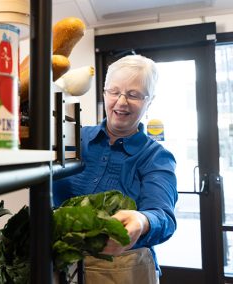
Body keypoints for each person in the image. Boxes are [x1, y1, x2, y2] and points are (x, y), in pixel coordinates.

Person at [53, 55, 178, 284]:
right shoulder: (74, 139)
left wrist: (141, 221)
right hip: (62, 265)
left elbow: (164, 217)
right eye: (114, 91)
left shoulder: (156, 157)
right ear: (104, 93)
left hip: (123, 269)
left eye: (133, 94)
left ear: (149, 101)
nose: (121, 102)